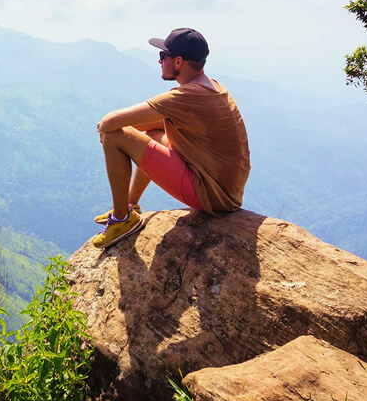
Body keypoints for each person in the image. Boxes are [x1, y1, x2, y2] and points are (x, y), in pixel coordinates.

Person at [92, 28, 250, 248]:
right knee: (152, 135)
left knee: (114, 137)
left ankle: (122, 220)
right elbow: (152, 124)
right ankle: (130, 205)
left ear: (178, 61)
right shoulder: (211, 87)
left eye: (162, 56)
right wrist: (119, 129)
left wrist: (107, 131)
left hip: (211, 194)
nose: (159, 61)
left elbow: (110, 121)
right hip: (226, 190)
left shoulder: (186, 96)